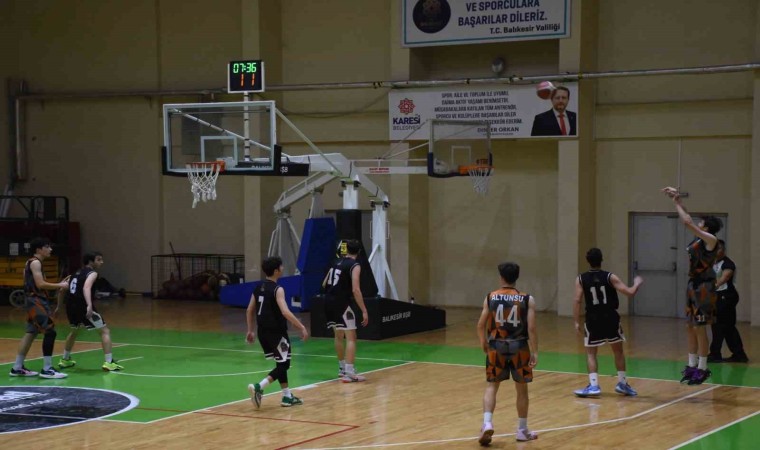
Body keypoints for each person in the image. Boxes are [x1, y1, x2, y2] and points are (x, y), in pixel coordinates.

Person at [662, 186, 721, 385]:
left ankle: (703, 369)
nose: (698, 222)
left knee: (701, 328)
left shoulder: (711, 240)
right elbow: (687, 217)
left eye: (701, 222)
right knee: (690, 326)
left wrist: (675, 205)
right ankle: (692, 365)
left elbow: (686, 221)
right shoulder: (700, 237)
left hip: (705, 286)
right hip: (693, 284)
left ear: (706, 227)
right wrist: (678, 200)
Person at [476, 262, 538, 445]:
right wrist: (535, 351)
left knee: (491, 386)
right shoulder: (527, 299)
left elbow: (480, 325)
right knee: (522, 389)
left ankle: (487, 422)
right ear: (517, 277)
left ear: (500, 276)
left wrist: (483, 342)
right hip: (519, 347)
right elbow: (532, 328)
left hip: (497, 346)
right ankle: (522, 429)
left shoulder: (490, 297)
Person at [573, 248, 644, 398]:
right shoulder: (610, 277)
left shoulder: (581, 279)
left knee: (591, 353)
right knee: (618, 351)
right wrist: (637, 283)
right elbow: (630, 292)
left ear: (588, 261)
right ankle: (622, 384)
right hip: (611, 317)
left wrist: (576, 321)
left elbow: (577, 300)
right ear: (601, 259)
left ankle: (593, 386)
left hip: (592, 319)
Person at [247, 256, 309, 408]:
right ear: (276, 271)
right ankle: (259, 387)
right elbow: (285, 312)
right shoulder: (277, 289)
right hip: (277, 333)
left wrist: (250, 330)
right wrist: (301, 326)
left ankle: (287, 396)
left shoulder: (258, 287)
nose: (282, 268)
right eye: (281, 267)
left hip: (263, 332)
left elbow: (249, 310)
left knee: (281, 362)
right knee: (284, 365)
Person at [9, 237, 70, 379]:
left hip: (32, 300)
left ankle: (17, 367)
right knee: (50, 332)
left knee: (31, 333)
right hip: (36, 301)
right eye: (47, 247)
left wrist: (56, 286)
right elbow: (40, 284)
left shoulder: (30, 262)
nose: (50, 249)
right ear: (39, 249)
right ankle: (47, 369)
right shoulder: (36, 263)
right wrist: (60, 285)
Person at [56, 252, 124, 372]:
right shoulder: (92, 273)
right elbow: (86, 287)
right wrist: (89, 305)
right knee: (104, 331)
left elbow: (62, 289)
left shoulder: (74, 274)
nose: (101, 262)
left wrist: (58, 307)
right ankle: (109, 362)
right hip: (82, 306)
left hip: (71, 307)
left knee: (74, 331)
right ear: (91, 261)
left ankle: (65, 360)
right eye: (99, 260)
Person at [323, 239, 369, 383]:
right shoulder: (355, 265)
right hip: (342, 303)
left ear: (346, 250)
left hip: (328, 301)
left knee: (338, 336)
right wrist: (364, 310)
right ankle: (349, 372)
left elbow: (324, 283)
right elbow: (356, 289)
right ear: (359, 252)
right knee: (351, 337)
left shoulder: (334, 262)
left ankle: (342, 368)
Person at [708, 240, 748, 363]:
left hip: (726, 297)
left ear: (723, 250)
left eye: (719, 249)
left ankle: (716, 354)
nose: (716, 251)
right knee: (724, 326)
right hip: (716, 297)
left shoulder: (728, 264)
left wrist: (711, 287)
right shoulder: (711, 262)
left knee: (721, 326)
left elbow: (723, 278)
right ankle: (738, 354)